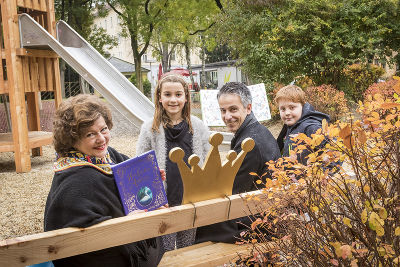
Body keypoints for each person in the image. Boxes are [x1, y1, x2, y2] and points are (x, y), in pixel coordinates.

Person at [44, 94, 164, 267]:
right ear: (72, 138)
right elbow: (82, 239)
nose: (101, 139)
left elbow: (131, 171)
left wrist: (149, 178)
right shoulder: (74, 181)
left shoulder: (106, 154)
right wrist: (126, 222)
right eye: (90, 134)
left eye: (104, 129)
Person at [195, 82, 280, 244]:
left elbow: (232, 191)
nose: (227, 116)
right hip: (262, 209)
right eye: (223, 110)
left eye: (233, 109)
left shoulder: (249, 144)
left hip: (260, 222)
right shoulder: (258, 130)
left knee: (203, 224)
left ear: (248, 108)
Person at [136, 73, 209, 251]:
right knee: (166, 251)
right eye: (167, 94)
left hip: (189, 199)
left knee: (188, 248)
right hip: (164, 203)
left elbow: (206, 160)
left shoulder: (198, 127)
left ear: (186, 97)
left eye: (178, 94)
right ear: (159, 98)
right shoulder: (149, 128)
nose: (173, 100)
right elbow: (141, 165)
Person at [275, 85, 330, 165]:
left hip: (307, 176)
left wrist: (320, 174)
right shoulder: (289, 126)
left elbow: (334, 152)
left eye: (292, 107)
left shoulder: (311, 127)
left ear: (302, 106)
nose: (287, 113)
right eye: (283, 109)